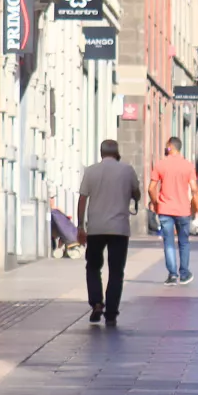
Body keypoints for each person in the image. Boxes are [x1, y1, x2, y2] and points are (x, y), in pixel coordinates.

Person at [76, 139, 141, 327]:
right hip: (119, 229)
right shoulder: (127, 170)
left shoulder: (91, 171)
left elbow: (82, 199)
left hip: (96, 228)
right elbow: (136, 193)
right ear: (117, 152)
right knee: (116, 271)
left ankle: (96, 302)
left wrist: (80, 226)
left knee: (93, 266)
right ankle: (111, 312)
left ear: (101, 152)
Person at [148, 136, 198, 285]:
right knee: (184, 242)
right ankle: (184, 274)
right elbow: (194, 189)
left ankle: (172, 275)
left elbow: (151, 188)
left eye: (167, 146)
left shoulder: (160, 165)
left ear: (171, 147)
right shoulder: (188, 166)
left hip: (165, 209)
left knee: (168, 242)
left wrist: (156, 203)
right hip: (183, 210)